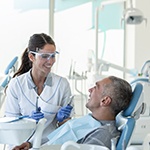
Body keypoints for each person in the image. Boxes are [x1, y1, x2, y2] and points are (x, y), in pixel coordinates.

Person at [12, 76, 132, 150]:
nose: (90, 90)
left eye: (96, 87)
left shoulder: (103, 134)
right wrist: (31, 145)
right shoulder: (90, 121)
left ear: (105, 101)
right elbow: (57, 140)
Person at [4, 33, 74, 147]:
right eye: (45, 56)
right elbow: (11, 125)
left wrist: (63, 120)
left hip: (49, 145)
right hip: (20, 144)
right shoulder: (16, 85)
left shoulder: (62, 84)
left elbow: (66, 128)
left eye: (53, 55)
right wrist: (27, 122)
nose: (50, 61)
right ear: (32, 57)